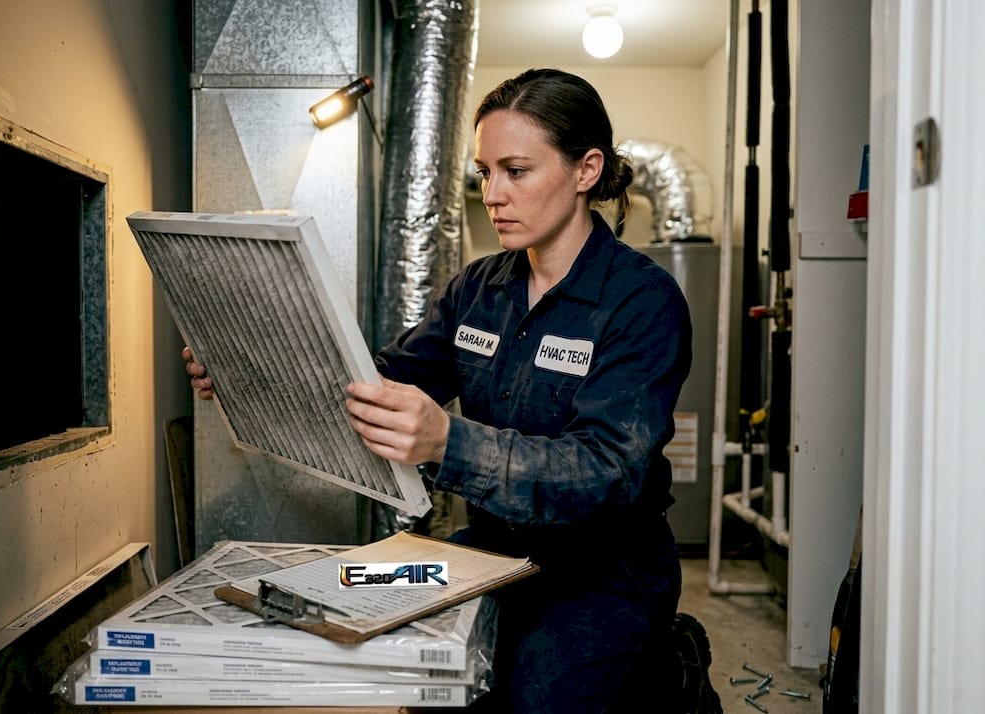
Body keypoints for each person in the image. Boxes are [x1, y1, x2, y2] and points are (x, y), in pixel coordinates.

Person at [185, 68, 721, 714]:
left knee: (537, 696)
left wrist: (448, 441)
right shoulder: (479, 290)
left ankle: (666, 670)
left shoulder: (641, 301)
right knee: (377, 637)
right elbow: (377, 385)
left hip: (603, 571)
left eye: (516, 171)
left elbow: (608, 471)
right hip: (489, 549)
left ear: (586, 171)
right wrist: (255, 373)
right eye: (484, 172)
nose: (493, 194)